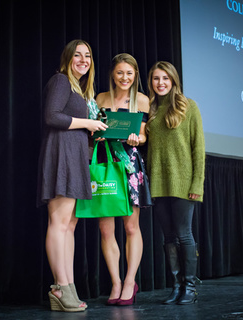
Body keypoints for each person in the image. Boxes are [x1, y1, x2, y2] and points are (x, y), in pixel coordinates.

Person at [36, 39, 108, 312]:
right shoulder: (61, 81)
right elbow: (51, 116)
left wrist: (93, 132)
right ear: (67, 58)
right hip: (61, 155)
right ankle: (60, 286)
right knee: (59, 222)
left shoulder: (80, 89)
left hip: (75, 158)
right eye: (77, 55)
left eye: (87, 55)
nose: (83, 60)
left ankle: (67, 287)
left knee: (70, 225)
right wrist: (88, 123)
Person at [95, 53, 152, 306]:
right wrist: (95, 135)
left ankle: (130, 281)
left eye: (129, 73)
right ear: (112, 74)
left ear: (135, 75)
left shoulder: (142, 100)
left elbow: (143, 136)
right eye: (120, 72)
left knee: (131, 227)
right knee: (106, 229)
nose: (125, 78)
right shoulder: (100, 99)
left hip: (129, 164)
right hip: (106, 163)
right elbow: (95, 129)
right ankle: (116, 282)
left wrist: (137, 139)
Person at [146, 61, 205, 305]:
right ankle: (176, 286)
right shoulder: (149, 109)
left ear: (173, 81)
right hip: (158, 183)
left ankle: (190, 288)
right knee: (168, 237)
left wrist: (197, 184)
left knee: (184, 235)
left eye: (165, 79)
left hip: (183, 182)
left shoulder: (188, 106)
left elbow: (198, 148)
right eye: (156, 79)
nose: (160, 83)